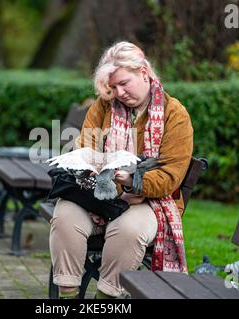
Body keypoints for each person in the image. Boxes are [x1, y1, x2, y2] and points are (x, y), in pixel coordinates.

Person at [49, 41, 194, 298]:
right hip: (99, 194)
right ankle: (67, 295)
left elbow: (171, 175)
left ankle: (105, 298)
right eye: (113, 87)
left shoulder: (175, 114)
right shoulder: (103, 106)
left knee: (127, 231)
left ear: (144, 73)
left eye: (124, 83)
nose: (119, 92)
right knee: (65, 218)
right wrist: (93, 168)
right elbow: (87, 146)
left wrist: (131, 181)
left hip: (150, 202)